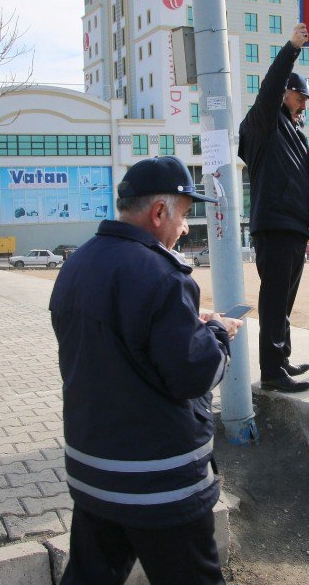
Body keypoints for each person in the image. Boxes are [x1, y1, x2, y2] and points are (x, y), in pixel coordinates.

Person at [50, 156, 243, 585]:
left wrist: (188, 324)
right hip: (158, 480)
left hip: (94, 469)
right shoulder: (161, 276)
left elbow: (115, 347)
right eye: (185, 214)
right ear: (159, 212)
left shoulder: (78, 264)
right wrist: (217, 333)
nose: (186, 227)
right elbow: (194, 374)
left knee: (90, 575)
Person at [238, 22, 309, 393]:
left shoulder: (293, 130)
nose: (303, 105)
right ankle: (272, 372)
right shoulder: (264, 122)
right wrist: (291, 49)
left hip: (293, 227)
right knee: (273, 299)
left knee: (285, 298)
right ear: (285, 94)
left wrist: (307, 228)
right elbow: (269, 88)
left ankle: (281, 357)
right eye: (300, 97)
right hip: (274, 225)